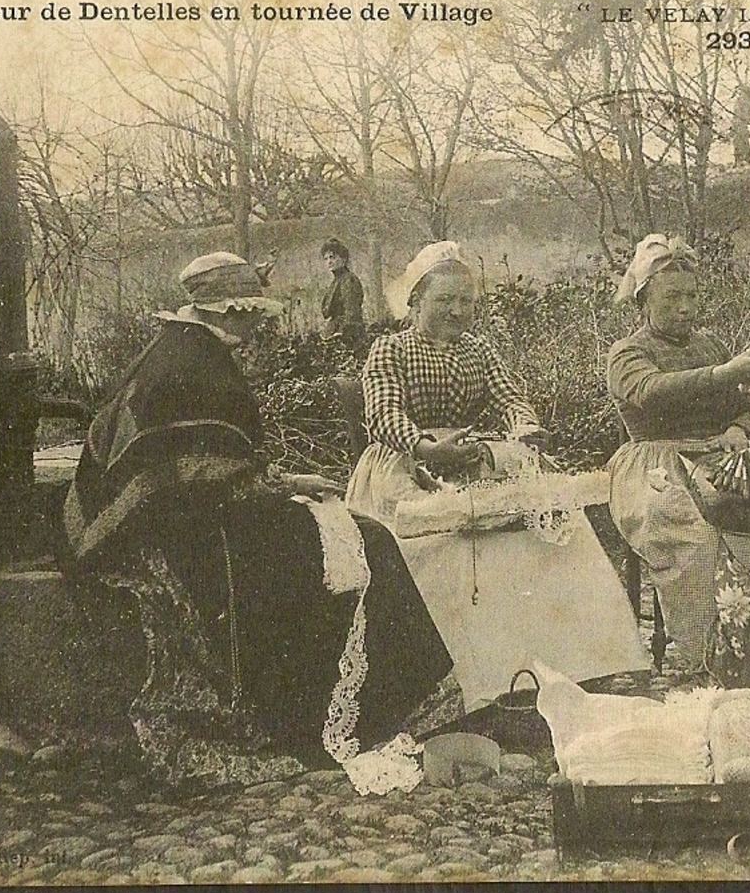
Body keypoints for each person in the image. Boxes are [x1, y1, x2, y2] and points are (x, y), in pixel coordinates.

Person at [63, 251, 456, 788]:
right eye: (252, 314)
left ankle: (353, 706)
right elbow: (211, 478)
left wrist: (290, 485)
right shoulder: (196, 369)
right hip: (180, 534)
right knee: (369, 546)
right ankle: (362, 715)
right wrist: (290, 493)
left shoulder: (179, 348)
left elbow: (208, 464)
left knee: (351, 538)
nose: (257, 325)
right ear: (227, 311)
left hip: (154, 516)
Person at [345, 241, 648, 708]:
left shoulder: (478, 350)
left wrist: (524, 430)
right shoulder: (390, 349)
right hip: (404, 467)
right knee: (446, 550)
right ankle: (468, 683)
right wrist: (427, 447)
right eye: (444, 300)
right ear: (415, 301)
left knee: (549, 528)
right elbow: (384, 415)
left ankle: (577, 662)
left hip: (469, 461)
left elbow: (510, 398)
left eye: (466, 301)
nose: (457, 310)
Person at [604, 233, 750, 672]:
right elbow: (652, 393)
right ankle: (704, 656)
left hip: (717, 459)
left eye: (691, 296)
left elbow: (749, 409)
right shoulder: (628, 352)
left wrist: (738, 428)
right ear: (644, 298)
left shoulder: (710, 345)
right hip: (653, 464)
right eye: (672, 297)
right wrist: (725, 373)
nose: (685, 307)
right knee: (691, 531)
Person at [319, 238, 367, 352]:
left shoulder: (349, 280)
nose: (329, 262)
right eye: (326, 259)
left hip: (347, 335)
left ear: (344, 259)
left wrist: (340, 335)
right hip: (335, 330)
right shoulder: (337, 280)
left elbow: (352, 313)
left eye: (333, 257)